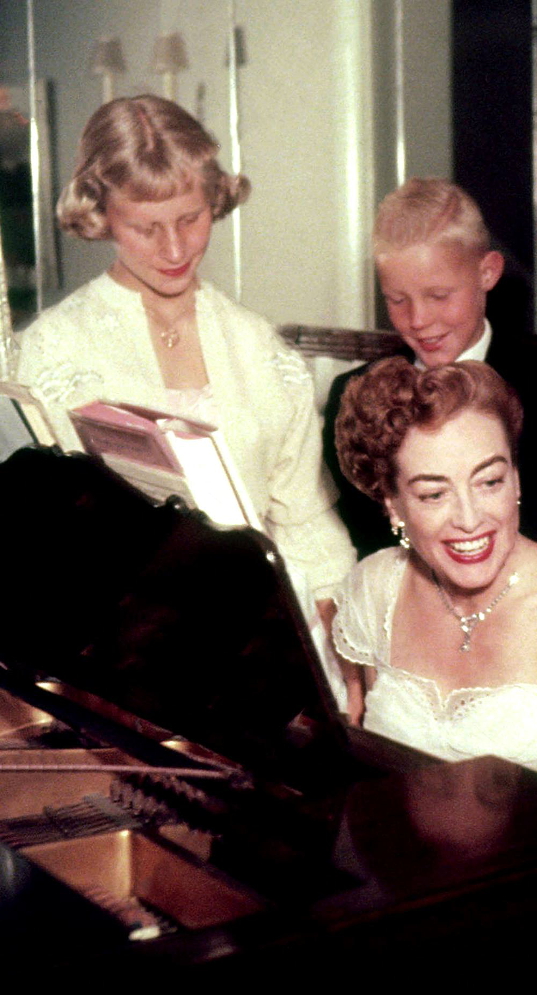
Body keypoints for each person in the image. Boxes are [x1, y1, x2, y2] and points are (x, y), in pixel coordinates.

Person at [11, 95, 354, 611]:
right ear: (101, 215)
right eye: (146, 228)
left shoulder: (258, 347)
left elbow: (307, 524)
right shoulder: (51, 349)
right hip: (107, 639)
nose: (175, 251)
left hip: (263, 628)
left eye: (190, 219)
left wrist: (330, 639)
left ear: (215, 200)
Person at [331, 355, 537, 778]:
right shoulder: (375, 590)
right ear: (392, 504)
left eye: (489, 482)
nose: (468, 518)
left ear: (516, 479)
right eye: (433, 494)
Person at [322, 177, 537, 557]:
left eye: (439, 296)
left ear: (487, 272)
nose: (417, 320)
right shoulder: (353, 395)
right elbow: (357, 534)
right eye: (397, 300)